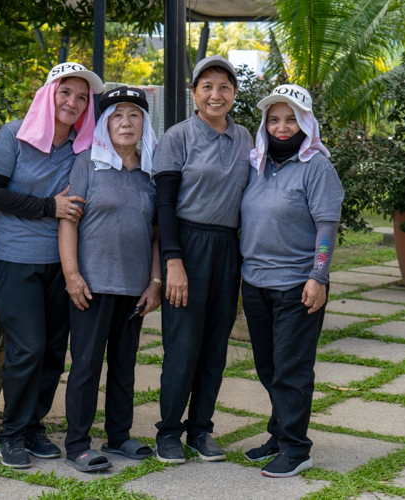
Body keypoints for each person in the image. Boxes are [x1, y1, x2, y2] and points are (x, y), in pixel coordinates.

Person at [0, 62, 104, 469]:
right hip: (17, 260)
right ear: (48, 93)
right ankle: (11, 433)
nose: (73, 102)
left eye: (82, 97)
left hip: (63, 263)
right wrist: (49, 206)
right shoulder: (13, 134)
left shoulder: (83, 148)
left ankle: (33, 427)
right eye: (65, 92)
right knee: (27, 347)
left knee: (52, 351)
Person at [151, 55, 254, 464]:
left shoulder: (246, 137)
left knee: (215, 346)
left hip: (227, 247)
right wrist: (173, 262)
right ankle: (169, 432)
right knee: (183, 345)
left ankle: (201, 430)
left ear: (234, 94)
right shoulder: (178, 137)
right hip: (187, 244)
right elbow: (163, 205)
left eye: (224, 87)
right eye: (207, 86)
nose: (216, 94)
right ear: (193, 93)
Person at [239, 84, 344, 478]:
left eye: (291, 119)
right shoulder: (257, 163)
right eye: (274, 119)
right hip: (256, 282)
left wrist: (319, 276)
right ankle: (280, 434)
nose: (281, 127)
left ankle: (298, 449)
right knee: (268, 367)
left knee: (292, 369)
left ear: (305, 122)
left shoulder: (317, 166)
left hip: (298, 285)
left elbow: (327, 225)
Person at [59, 86, 162, 472]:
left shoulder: (151, 172)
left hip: (133, 289)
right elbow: (68, 220)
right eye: (117, 115)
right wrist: (72, 275)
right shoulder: (88, 164)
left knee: (124, 366)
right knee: (86, 366)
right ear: (105, 123)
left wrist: (155, 282)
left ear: (144, 124)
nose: (126, 123)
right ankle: (77, 444)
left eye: (134, 115)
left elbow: (155, 233)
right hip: (91, 285)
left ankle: (119, 435)